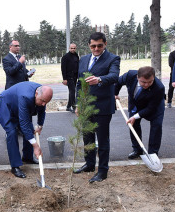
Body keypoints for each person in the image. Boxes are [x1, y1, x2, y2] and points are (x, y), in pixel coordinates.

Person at [73, 32, 120, 183]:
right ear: (89, 45)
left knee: (102, 140)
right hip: (86, 106)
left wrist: (99, 79)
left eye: (100, 45)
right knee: (87, 137)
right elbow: (79, 83)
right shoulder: (84, 59)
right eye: (93, 46)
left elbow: (114, 76)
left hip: (103, 106)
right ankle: (89, 164)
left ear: (105, 44)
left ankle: (103, 171)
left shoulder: (113, 59)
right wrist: (78, 103)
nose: (96, 49)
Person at [0, 82, 53, 178]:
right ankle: (15, 166)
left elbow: (42, 109)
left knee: (30, 130)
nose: (43, 104)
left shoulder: (42, 92)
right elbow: (24, 124)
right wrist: (35, 146)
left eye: (46, 102)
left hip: (17, 106)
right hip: (5, 105)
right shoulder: (25, 96)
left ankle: (27, 157)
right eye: (42, 101)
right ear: (36, 94)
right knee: (12, 132)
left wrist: (40, 125)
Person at [115, 67, 165, 159]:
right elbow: (117, 82)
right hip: (136, 104)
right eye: (143, 82)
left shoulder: (159, 88)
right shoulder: (130, 75)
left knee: (156, 127)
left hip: (154, 107)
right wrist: (115, 93)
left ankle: (152, 154)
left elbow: (150, 108)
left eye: (150, 82)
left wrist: (136, 116)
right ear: (137, 77)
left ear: (154, 77)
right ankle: (137, 150)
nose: (146, 85)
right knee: (133, 126)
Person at [61, 43, 79, 113]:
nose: (73, 49)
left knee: (71, 92)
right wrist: (64, 79)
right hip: (69, 77)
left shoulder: (76, 56)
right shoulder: (65, 57)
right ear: (69, 48)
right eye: (71, 48)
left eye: (74, 48)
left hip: (75, 77)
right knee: (72, 91)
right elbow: (63, 68)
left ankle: (68, 106)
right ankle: (73, 106)